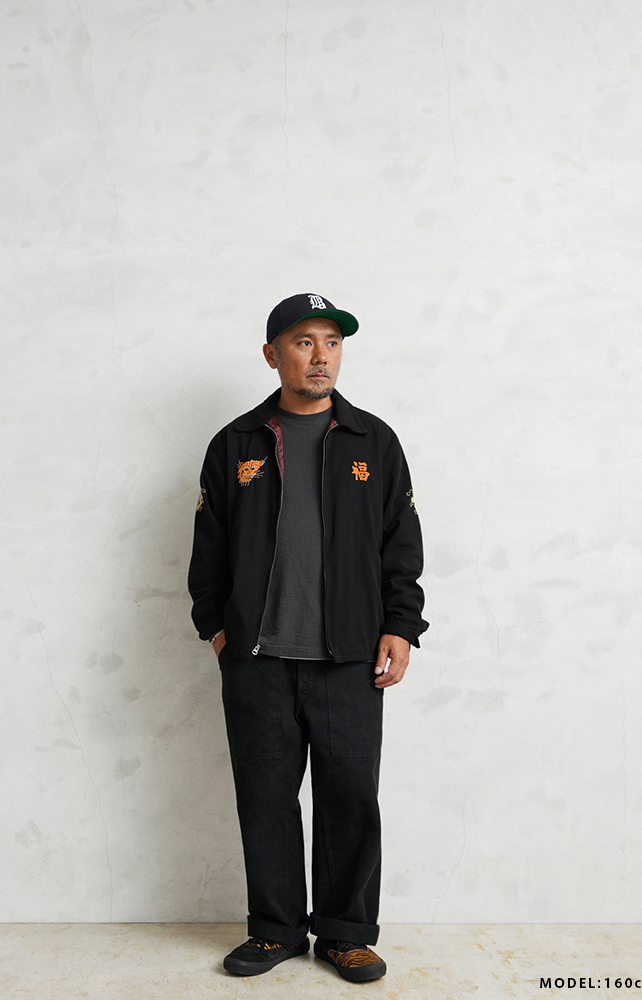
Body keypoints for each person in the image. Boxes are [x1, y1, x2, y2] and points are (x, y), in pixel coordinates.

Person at [187, 292, 428, 982]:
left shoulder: (373, 441)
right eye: (303, 341)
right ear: (272, 355)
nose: (320, 356)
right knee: (265, 799)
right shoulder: (235, 444)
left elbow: (401, 544)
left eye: (332, 341)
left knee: (350, 796)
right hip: (258, 660)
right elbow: (208, 551)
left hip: (350, 658)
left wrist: (400, 626)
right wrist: (218, 633)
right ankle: (276, 930)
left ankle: (346, 934)